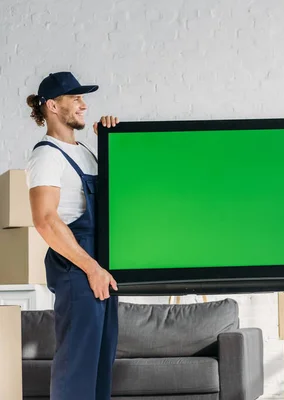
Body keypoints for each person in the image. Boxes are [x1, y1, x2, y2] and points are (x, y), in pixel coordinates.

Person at [25, 71, 120, 400]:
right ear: (52, 105)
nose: (84, 104)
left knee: (99, 365)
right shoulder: (46, 156)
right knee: (76, 368)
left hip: (99, 271)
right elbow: (46, 221)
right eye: (76, 98)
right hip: (78, 271)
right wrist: (91, 268)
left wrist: (110, 141)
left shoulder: (85, 152)